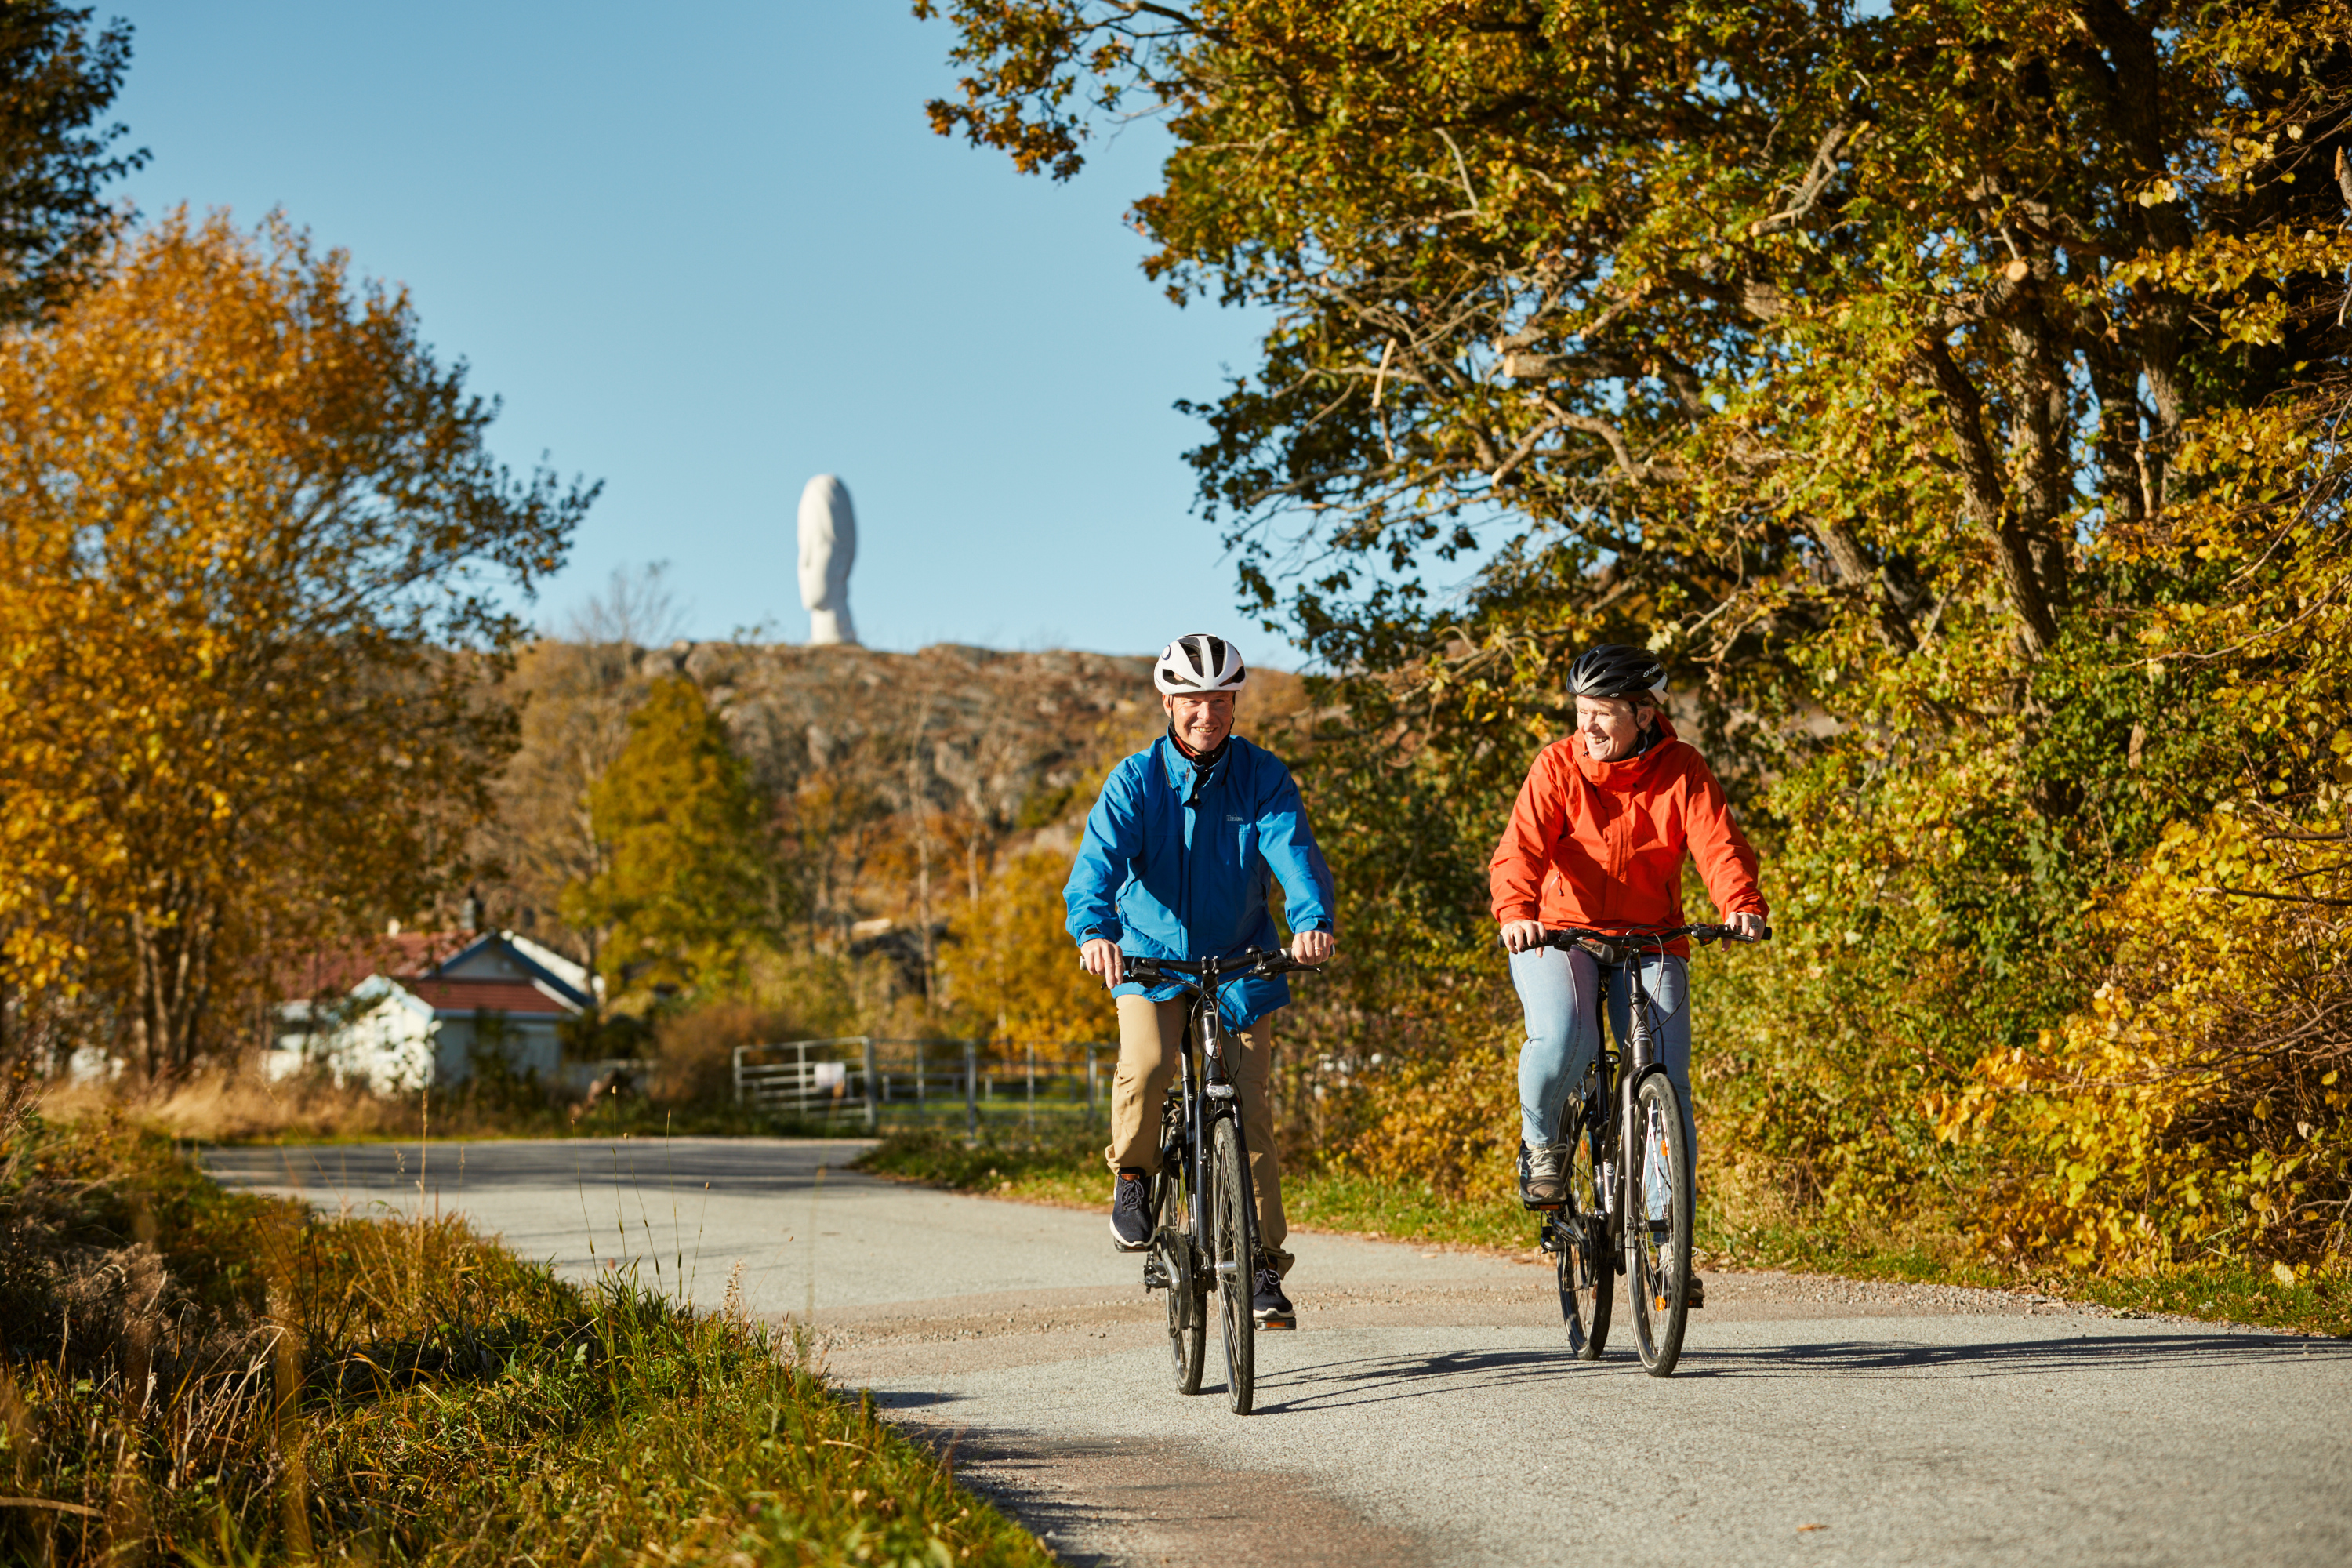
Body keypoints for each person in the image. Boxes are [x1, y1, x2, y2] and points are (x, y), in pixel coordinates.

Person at [1065, 633, 1337, 1331]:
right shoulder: (1136, 779)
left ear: (1235, 703)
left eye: (1219, 700)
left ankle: (1263, 1265)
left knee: (1249, 1110)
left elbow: (1293, 852)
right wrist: (1095, 932)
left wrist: (1311, 921)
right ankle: (1135, 1175)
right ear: (1167, 702)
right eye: (1192, 700)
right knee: (1150, 1063)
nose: (1206, 715)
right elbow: (1097, 864)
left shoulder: (1262, 776)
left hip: (1240, 960)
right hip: (1149, 958)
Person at [1489, 643, 1769, 1308]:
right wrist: (1517, 912)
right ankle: (1541, 1145)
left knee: (1667, 1077)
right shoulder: (1557, 766)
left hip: (1652, 937)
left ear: (1644, 714)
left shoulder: (1683, 769)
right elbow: (1520, 850)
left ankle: (1669, 1244)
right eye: (1581, 711)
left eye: (1603, 713)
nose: (1587, 726)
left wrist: (1741, 904)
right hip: (1560, 931)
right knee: (1567, 1037)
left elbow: (1718, 844)